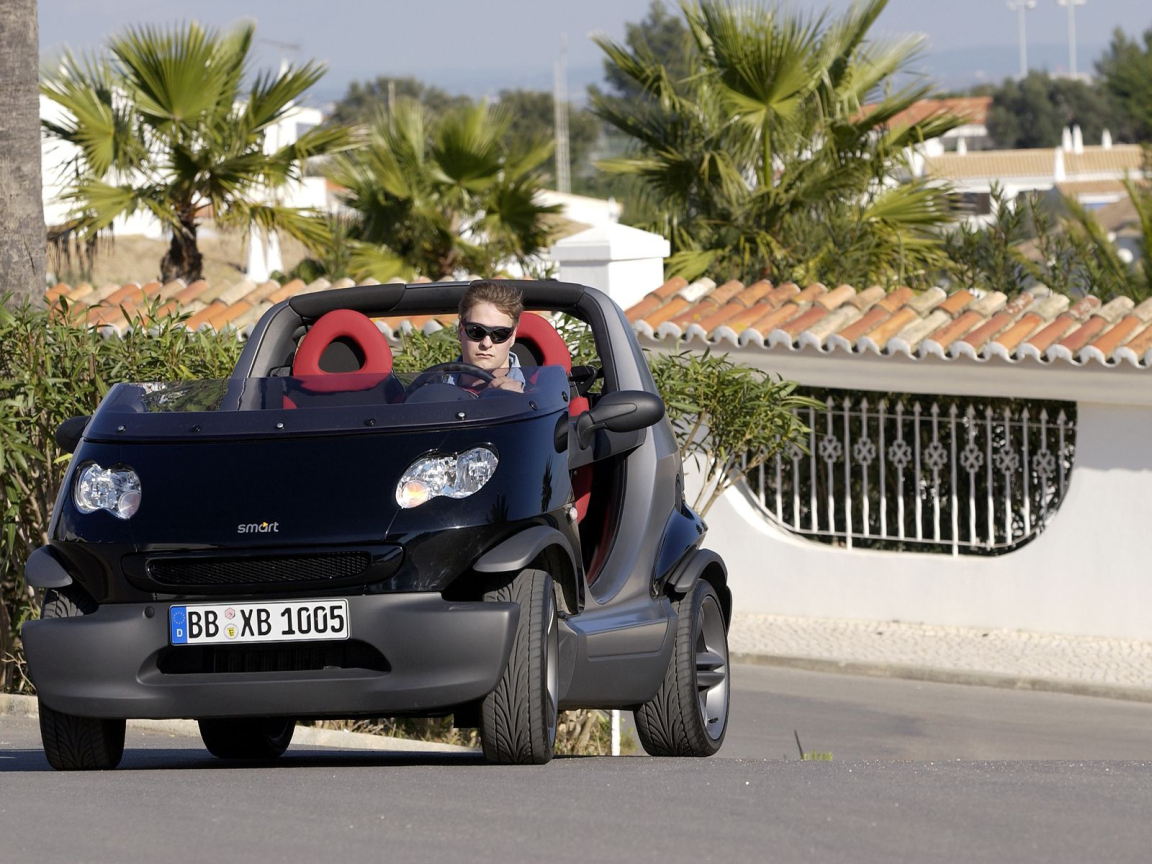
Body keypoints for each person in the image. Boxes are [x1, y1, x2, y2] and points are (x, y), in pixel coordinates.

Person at [454, 281, 525, 393]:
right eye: (476, 331)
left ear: (513, 337)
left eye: (499, 334)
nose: (486, 343)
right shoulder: (431, 389)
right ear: (460, 331)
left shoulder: (540, 394)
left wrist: (522, 401)